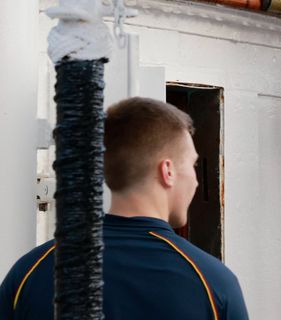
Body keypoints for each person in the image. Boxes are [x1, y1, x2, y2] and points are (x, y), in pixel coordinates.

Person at [0, 98, 249, 319]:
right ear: (168, 171)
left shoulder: (28, 273)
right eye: (192, 166)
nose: (195, 181)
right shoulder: (213, 283)